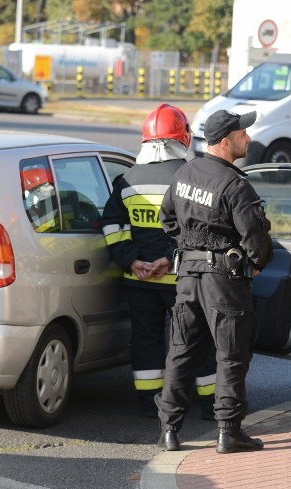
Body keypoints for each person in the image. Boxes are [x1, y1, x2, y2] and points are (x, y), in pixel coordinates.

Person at [155, 109, 273, 454]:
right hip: (224, 281)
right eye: (243, 134)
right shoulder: (235, 185)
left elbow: (167, 219)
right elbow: (256, 237)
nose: (248, 138)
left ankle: (169, 431)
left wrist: (192, 247)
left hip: (187, 278)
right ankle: (229, 431)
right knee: (231, 355)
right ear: (226, 141)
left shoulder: (184, 173)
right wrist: (255, 263)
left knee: (181, 353)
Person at [101, 104, 217, 420]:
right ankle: (210, 404)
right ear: (183, 137)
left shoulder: (126, 180)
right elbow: (195, 229)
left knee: (145, 340)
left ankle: (150, 404)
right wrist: (169, 259)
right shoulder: (190, 177)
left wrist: (132, 261)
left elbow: (112, 225)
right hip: (182, 279)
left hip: (139, 280)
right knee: (197, 338)